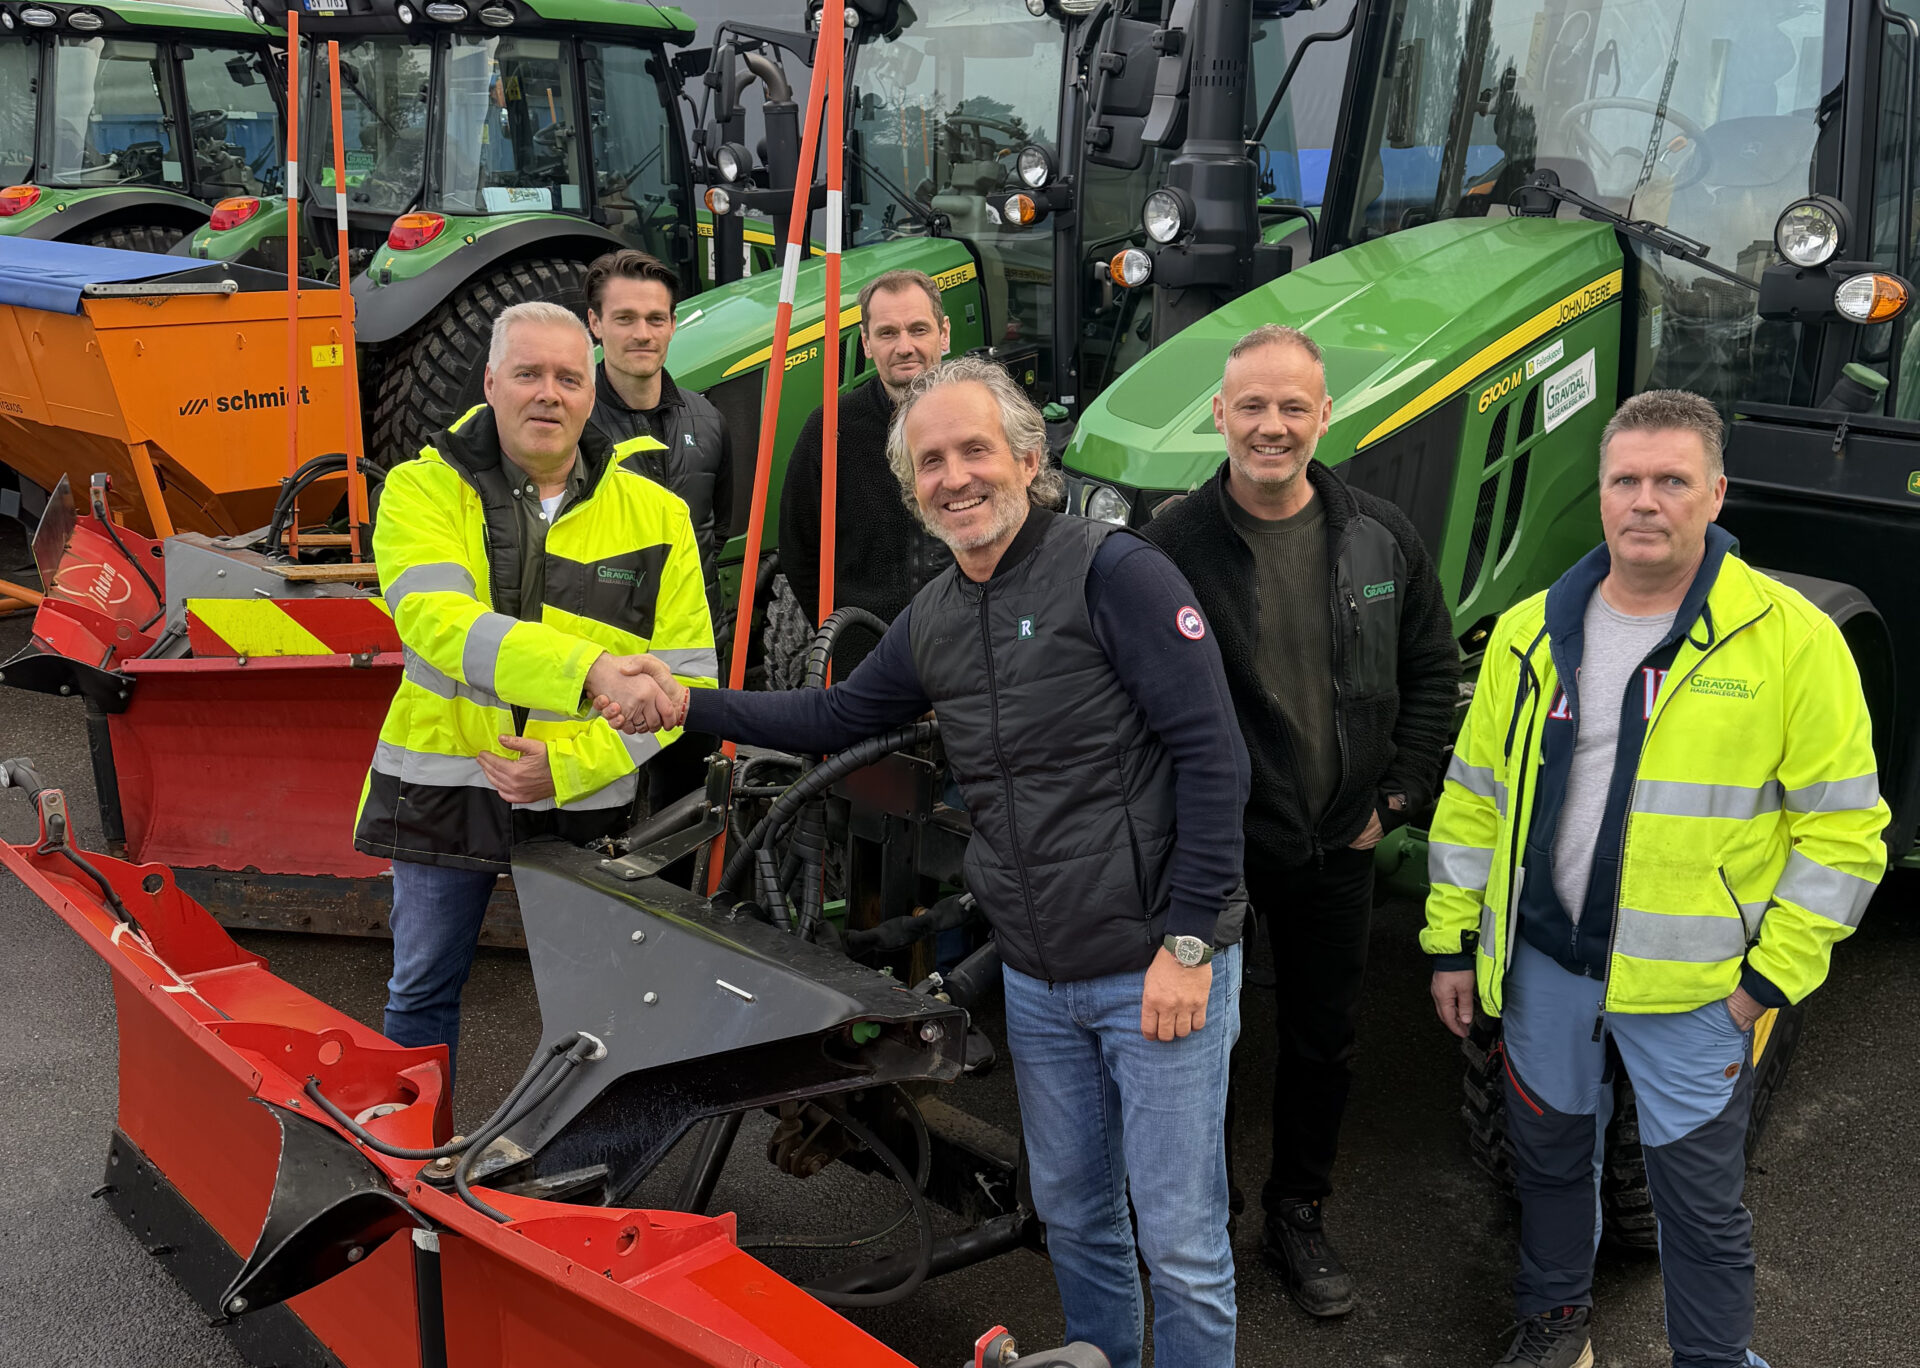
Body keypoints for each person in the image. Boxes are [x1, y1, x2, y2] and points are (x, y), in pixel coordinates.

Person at [602, 357, 1251, 1368]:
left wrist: (1188, 942)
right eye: (932, 462)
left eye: (975, 451)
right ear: (914, 490)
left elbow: (1214, 755)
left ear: (1029, 460)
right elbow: (836, 715)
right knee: (1076, 1220)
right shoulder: (941, 613)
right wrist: (690, 702)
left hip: (1151, 966)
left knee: (1180, 1240)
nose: (956, 477)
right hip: (1038, 977)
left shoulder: (1113, 572)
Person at [1423, 390, 1888, 1368]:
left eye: (1671, 480)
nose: (1646, 501)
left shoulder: (1791, 640)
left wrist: (1768, 981)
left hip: (1698, 992)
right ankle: (1556, 1328)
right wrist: (1453, 940)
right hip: (1545, 967)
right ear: (1598, 494)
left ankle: (1711, 1358)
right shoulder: (1526, 635)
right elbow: (1473, 801)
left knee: (1698, 1201)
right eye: (1626, 480)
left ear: (1714, 493)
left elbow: (1846, 835)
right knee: (1548, 1166)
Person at [1146, 323, 1459, 1316]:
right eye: (1253, 407)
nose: (1272, 426)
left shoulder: (1381, 537)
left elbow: (1431, 674)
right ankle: (1203, 1216)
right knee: (1202, 1043)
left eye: (1293, 408)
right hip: (1219, 856)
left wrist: (1398, 800)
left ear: (1325, 417)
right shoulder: (1169, 549)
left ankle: (1297, 1212)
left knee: (1323, 1042)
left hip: (1339, 846)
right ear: (1220, 416)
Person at [354, 300, 718, 1080]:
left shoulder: (658, 514)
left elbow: (685, 683)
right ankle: (411, 1165)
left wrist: (571, 765)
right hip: (444, 783)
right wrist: (586, 671)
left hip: (583, 799)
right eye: (528, 374)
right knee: (420, 992)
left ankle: (567, 1180)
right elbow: (438, 621)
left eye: (567, 376)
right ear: (491, 382)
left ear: (593, 392)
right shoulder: (422, 492)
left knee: (596, 1006)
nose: (547, 393)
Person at [584, 248, 733, 824]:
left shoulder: (709, 422)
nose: (642, 333)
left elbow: (716, 531)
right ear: (595, 324)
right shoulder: (568, 425)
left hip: (686, 664)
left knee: (683, 823)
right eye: (624, 318)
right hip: (597, 669)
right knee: (596, 828)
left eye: (656, 319)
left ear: (672, 324)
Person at [777, 268, 954, 672]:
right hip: (867, 665)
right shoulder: (831, 430)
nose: (905, 346)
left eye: (919, 329)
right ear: (867, 343)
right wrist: (849, 640)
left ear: (943, 333)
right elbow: (799, 549)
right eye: (888, 333)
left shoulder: (984, 421)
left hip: (966, 656)